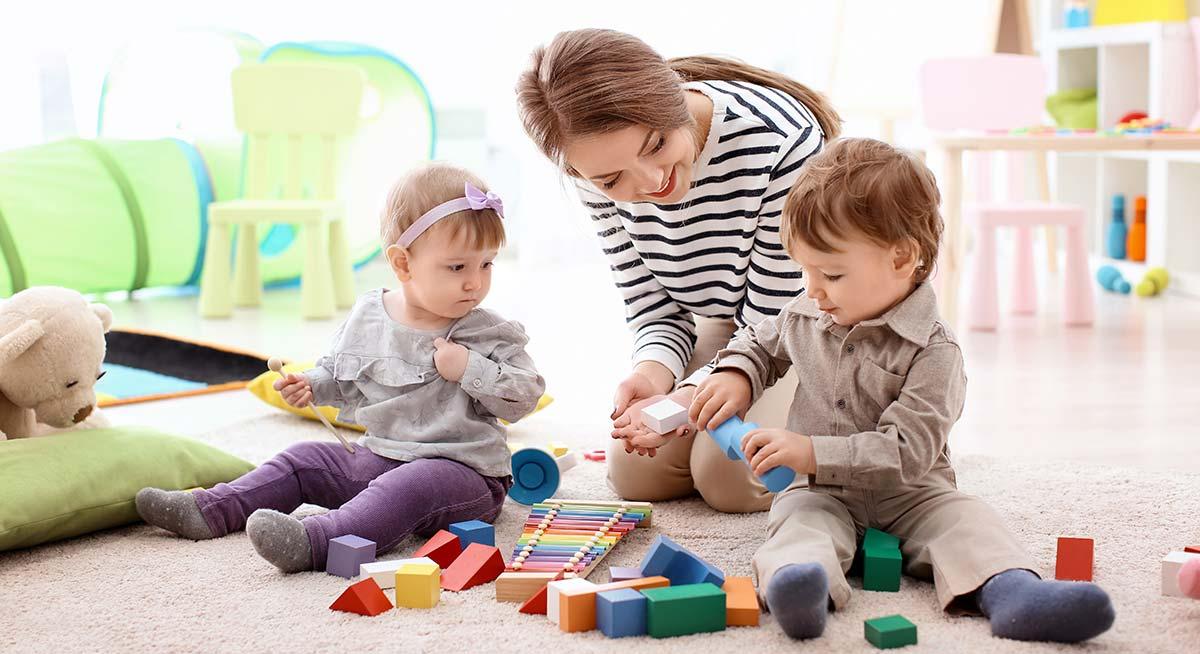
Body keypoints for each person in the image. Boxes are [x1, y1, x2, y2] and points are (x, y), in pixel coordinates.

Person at [688, 138, 1115, 643]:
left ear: (902, 257)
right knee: (798, 523)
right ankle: (797, 588)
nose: (813, 289)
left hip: (913, 494)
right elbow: (761, 341)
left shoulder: (936, 351)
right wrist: (736, 372)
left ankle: (1013, 593)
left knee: (967, 521)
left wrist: (809, 451)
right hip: (821, 492)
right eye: (804, 270)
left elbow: (909, 451)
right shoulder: (808, 313)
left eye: (831, 273)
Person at [135, 163, 545, 572]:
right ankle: (210, 509)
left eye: (486, 264)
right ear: (403, 264)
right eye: (458, 267)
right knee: (303, 459)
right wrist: (313, 384)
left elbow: (525, 395)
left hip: (463, 475)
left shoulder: (487, 332)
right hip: (380, 455)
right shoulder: (370, 315)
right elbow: (341, 374)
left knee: (408, 486)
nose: (476, 282)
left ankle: (317, 540)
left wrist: (470, 367)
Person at [516, 28, 839, 512]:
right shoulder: (592, 174)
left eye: (656, 144)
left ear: (673, 103)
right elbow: (653, 307)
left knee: (731, 477)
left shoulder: (779, 142)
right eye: (611, 179)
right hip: (729, 321)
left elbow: (774, 319)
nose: (651, 182)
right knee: (636, 472)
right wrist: (653, 374)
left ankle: (845, 431)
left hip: (803, 324)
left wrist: (687, 397)